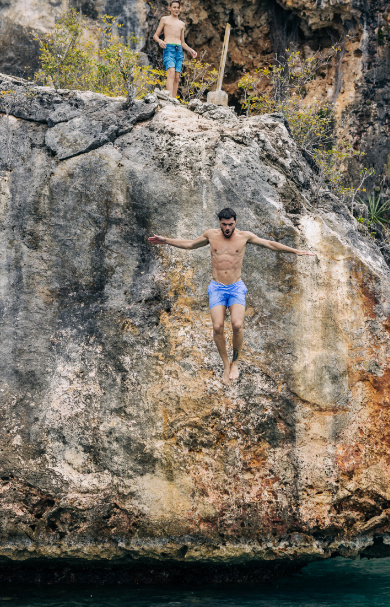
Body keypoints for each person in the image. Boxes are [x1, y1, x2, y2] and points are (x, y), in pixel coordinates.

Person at [148, 208, 316, 385]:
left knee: (237, 324)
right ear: (219, 223)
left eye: (230, 224)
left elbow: (270, 244)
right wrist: (166, 241)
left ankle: (235, 363)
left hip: (236, 287)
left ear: (235, 222)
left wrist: (296, 251)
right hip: (217, 288)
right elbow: (190, 244)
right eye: (224, 224)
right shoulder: (211, 235)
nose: (227, 228)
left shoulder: (245, 237)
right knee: (218, 326)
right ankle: (226, 365)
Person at [153, 0, 197, 99]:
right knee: (171, 73)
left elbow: (183, 42)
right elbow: (155, 36)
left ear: (180, 9)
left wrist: (190, 50)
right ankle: (168, 99)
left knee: (177, 77)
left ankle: (173, 100)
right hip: (168, 48)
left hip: (179, 50)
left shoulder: (182, 24)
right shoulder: (164, 19)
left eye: (178, 7)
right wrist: (160, 41)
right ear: (170, 8)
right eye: (174, 7)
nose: (176, 9)